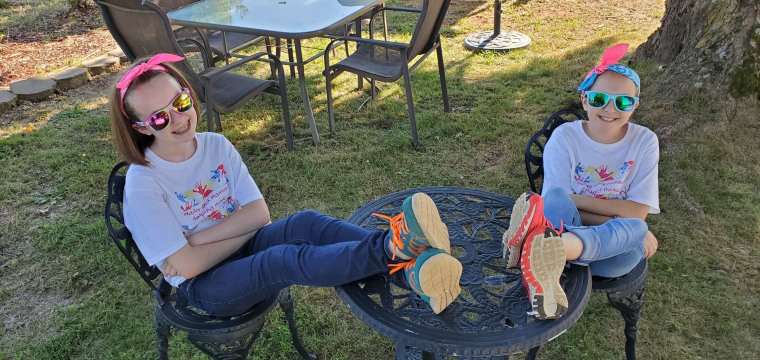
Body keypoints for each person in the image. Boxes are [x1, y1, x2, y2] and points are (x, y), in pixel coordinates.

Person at [108, 53, 463, 315]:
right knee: (281, 259)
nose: (178, 118)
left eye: (181, 101)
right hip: (207, 287)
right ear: (141, 127)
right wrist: (202, 251)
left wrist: (195, 240)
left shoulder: (216, 145)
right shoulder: (144, 184)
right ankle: (391, 249)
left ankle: (415, 273)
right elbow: (186, 270)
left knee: (305, 222)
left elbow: (259, 214)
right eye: (159, 117)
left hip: (227, 252)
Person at [502, 44, 660, 320]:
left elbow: (638, 211)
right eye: (600, 99)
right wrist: (616, 215)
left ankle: (551, 254)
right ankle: (555, 253)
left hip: (587, 243)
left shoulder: (645, 141)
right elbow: (557, 201)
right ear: (585, 99)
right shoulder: (566, 137)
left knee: (635, 232)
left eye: (623, 102)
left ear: (634, 106)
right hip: (569, 222)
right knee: (634, 230)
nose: (610, 109)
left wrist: (577, 200)